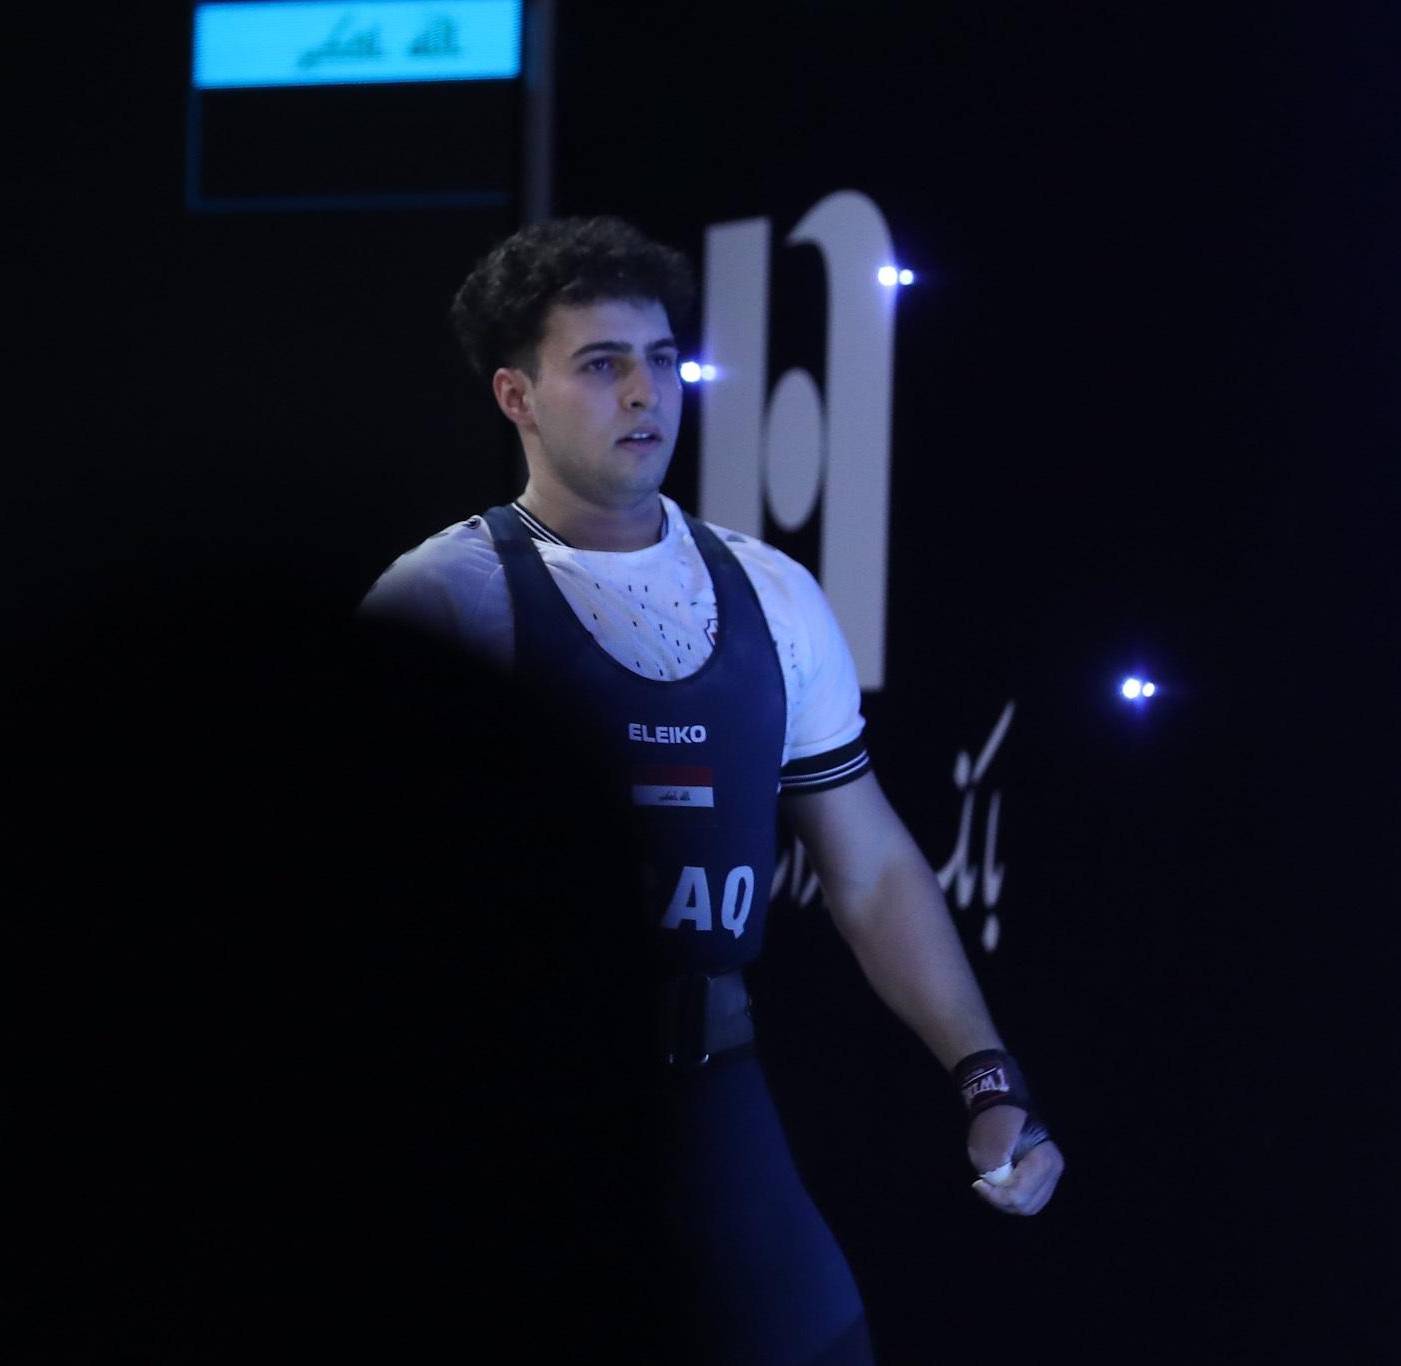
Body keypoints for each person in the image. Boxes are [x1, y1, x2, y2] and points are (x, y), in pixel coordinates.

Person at [361, 216, 1065, 1366]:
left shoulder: (772, 595)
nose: (647, 391)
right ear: (515, 396)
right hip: (503, 1107)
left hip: (708, 1093)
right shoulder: (444, 599)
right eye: (602, 364)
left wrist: (985, 1074)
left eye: (661, 359)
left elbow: (870, 870)